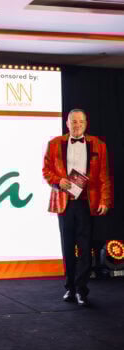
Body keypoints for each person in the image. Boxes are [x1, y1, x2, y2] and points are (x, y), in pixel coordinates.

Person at [43, 109, 111, 306]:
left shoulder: (99, 145)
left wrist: (105, 200)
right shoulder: (54, 144)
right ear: (67, 124)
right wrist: (58, 181)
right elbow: (46, 170)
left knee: (85, 247)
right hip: (65, 202)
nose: (77, 125)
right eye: (74, 121)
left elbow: (104, 175)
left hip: (87, 202)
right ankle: (70, 288)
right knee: (67, 246)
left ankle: (82, 289)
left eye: (81, 121)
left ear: (86, 123)